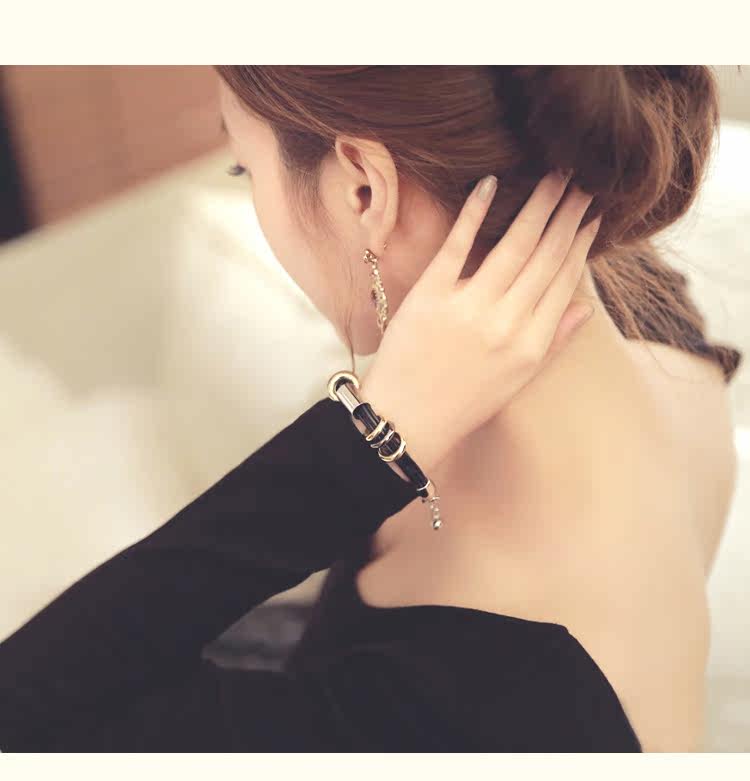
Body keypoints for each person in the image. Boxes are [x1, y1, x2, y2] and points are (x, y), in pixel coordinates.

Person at [0, 65, 742, 753]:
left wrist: (368, 439)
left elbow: (22, 715)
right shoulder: (651, 314)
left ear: (364, 189)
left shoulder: (457, 721)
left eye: (243, 168)